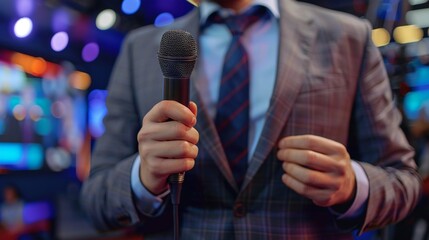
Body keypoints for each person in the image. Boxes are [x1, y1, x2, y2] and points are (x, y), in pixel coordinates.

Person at [80, 0, 422, 239]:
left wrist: (353, 185)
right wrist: (142, 178)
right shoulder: (140, 49)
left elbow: (403, 179)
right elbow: (95, 199)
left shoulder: (348, 38)